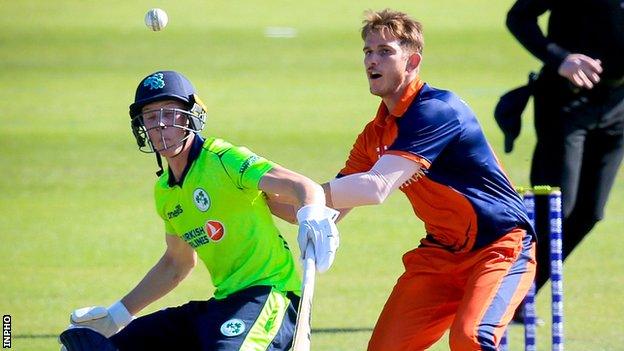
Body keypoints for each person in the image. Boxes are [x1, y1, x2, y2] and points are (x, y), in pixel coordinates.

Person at [59, 70, 339, 351]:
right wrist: (117, 315)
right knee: (108, 346)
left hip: (270, 295)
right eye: (150, 115)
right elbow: (176, 263)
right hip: (224, 304)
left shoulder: (223, 159)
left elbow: (305, 187)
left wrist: (311, 216)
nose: (159, 125)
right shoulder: (165, 192)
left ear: (190, 116)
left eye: (169, 113)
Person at [326, 9, 535, 350]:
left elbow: (376, 187)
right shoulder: (373, 134)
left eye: (385, 51)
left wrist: (305, 193)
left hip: (499, 247)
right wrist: (261, 187)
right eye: (367, 51)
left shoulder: (436, 110)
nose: (371, 61)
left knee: (470, 340)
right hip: (440, 255)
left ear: (412, 61)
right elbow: (331, 207)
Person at [506, 0, 624, 295]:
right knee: (556, 208)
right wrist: (560, 58)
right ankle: (496, 291)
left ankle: (519, 296)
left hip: (618, 107)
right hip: (565, 102)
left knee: (590, 211)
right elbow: (519, 17)